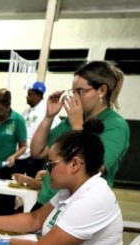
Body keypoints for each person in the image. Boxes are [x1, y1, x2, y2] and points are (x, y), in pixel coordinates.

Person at [31, 60, 130, 206]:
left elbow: (92, 169)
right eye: (73, 91)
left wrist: (77, 126)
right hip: (49, 200)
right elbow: (37, 152)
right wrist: (49, 116)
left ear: (102, 91)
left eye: (81, 91)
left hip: (79, 206)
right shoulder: (69, 121)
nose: (75, 97)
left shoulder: (116, 126)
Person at [17, 81, 61, 177]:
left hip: (38, 156)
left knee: (33, 181)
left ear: (38, 95)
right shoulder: (25, 112)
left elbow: (56, 133)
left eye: (29, 94)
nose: (26, 97)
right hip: (22, 154)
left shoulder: (47, 111)